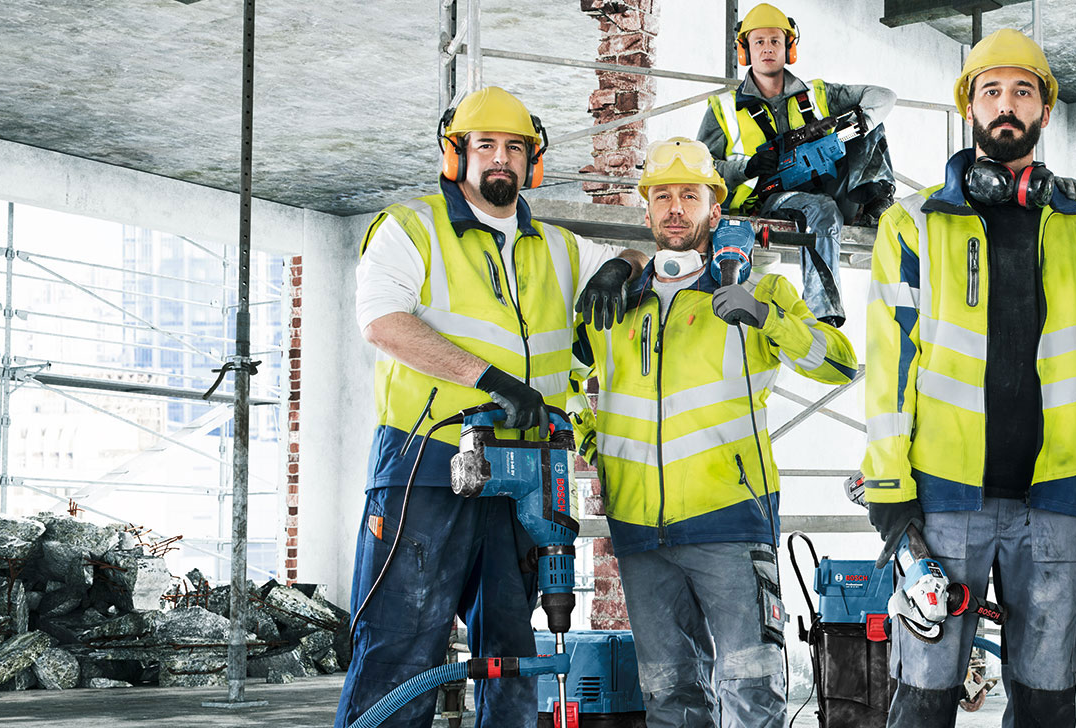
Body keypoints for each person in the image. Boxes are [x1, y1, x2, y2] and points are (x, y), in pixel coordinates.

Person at [858, 28, 1076, 728]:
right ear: (971, 108)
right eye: (992, 92)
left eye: (1023, 91)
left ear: (1045, 111)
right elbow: (889, 366)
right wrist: (890, 484)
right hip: (945, 502)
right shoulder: (915, 224)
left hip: (1059, 500)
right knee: (923, 699)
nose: (1007, 105)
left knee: (1047, 702)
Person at [339, 86, 644, 727]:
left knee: (512, 646)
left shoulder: (559, 247)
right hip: (428, 459)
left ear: (531, 161)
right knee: (403, 643)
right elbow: (384, 323)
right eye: (486, 146)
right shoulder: (410, 227)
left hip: (527, 471)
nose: (500, 159)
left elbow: (632, 259)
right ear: (457, 155)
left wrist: (624, 266)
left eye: (515, 147)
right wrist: (492, 380)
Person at [575, 136, 857, 727]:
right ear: (646, 209)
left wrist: (767, 318)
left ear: (714, 208)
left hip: (729, 522)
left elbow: (838, 363)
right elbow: (574, 388)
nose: (675, 209)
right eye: (662, 197)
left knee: (752, 694)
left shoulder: (760, 291)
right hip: (638, 531)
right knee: (668, 698)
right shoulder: (616, 303)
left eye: (690, 195)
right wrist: (589, 446)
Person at [697, 2, 898, 326]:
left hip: (833, 185)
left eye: (775, 41)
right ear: (745, 49)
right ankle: (823, 314)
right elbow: (701, 170)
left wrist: (860, 120)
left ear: (788, 47)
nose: (767, 48)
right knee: (820, 210)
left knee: (868, 125)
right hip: (771, 198)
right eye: (759, 41)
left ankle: (874, 204)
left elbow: (884, 96)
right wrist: (747, 168)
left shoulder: (817, 94)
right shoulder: (723, 108)